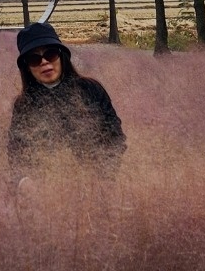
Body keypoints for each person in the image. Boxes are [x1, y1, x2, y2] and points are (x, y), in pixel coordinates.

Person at [8, 21, 126, 171]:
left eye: (50, 54)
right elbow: (16, 153)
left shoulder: (91, 90)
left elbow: (115, 136)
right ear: (27, 68)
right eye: (34, 59)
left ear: (61, 56)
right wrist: (24, 181)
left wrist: (104, 172)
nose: (44, 62)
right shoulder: (24, 104)